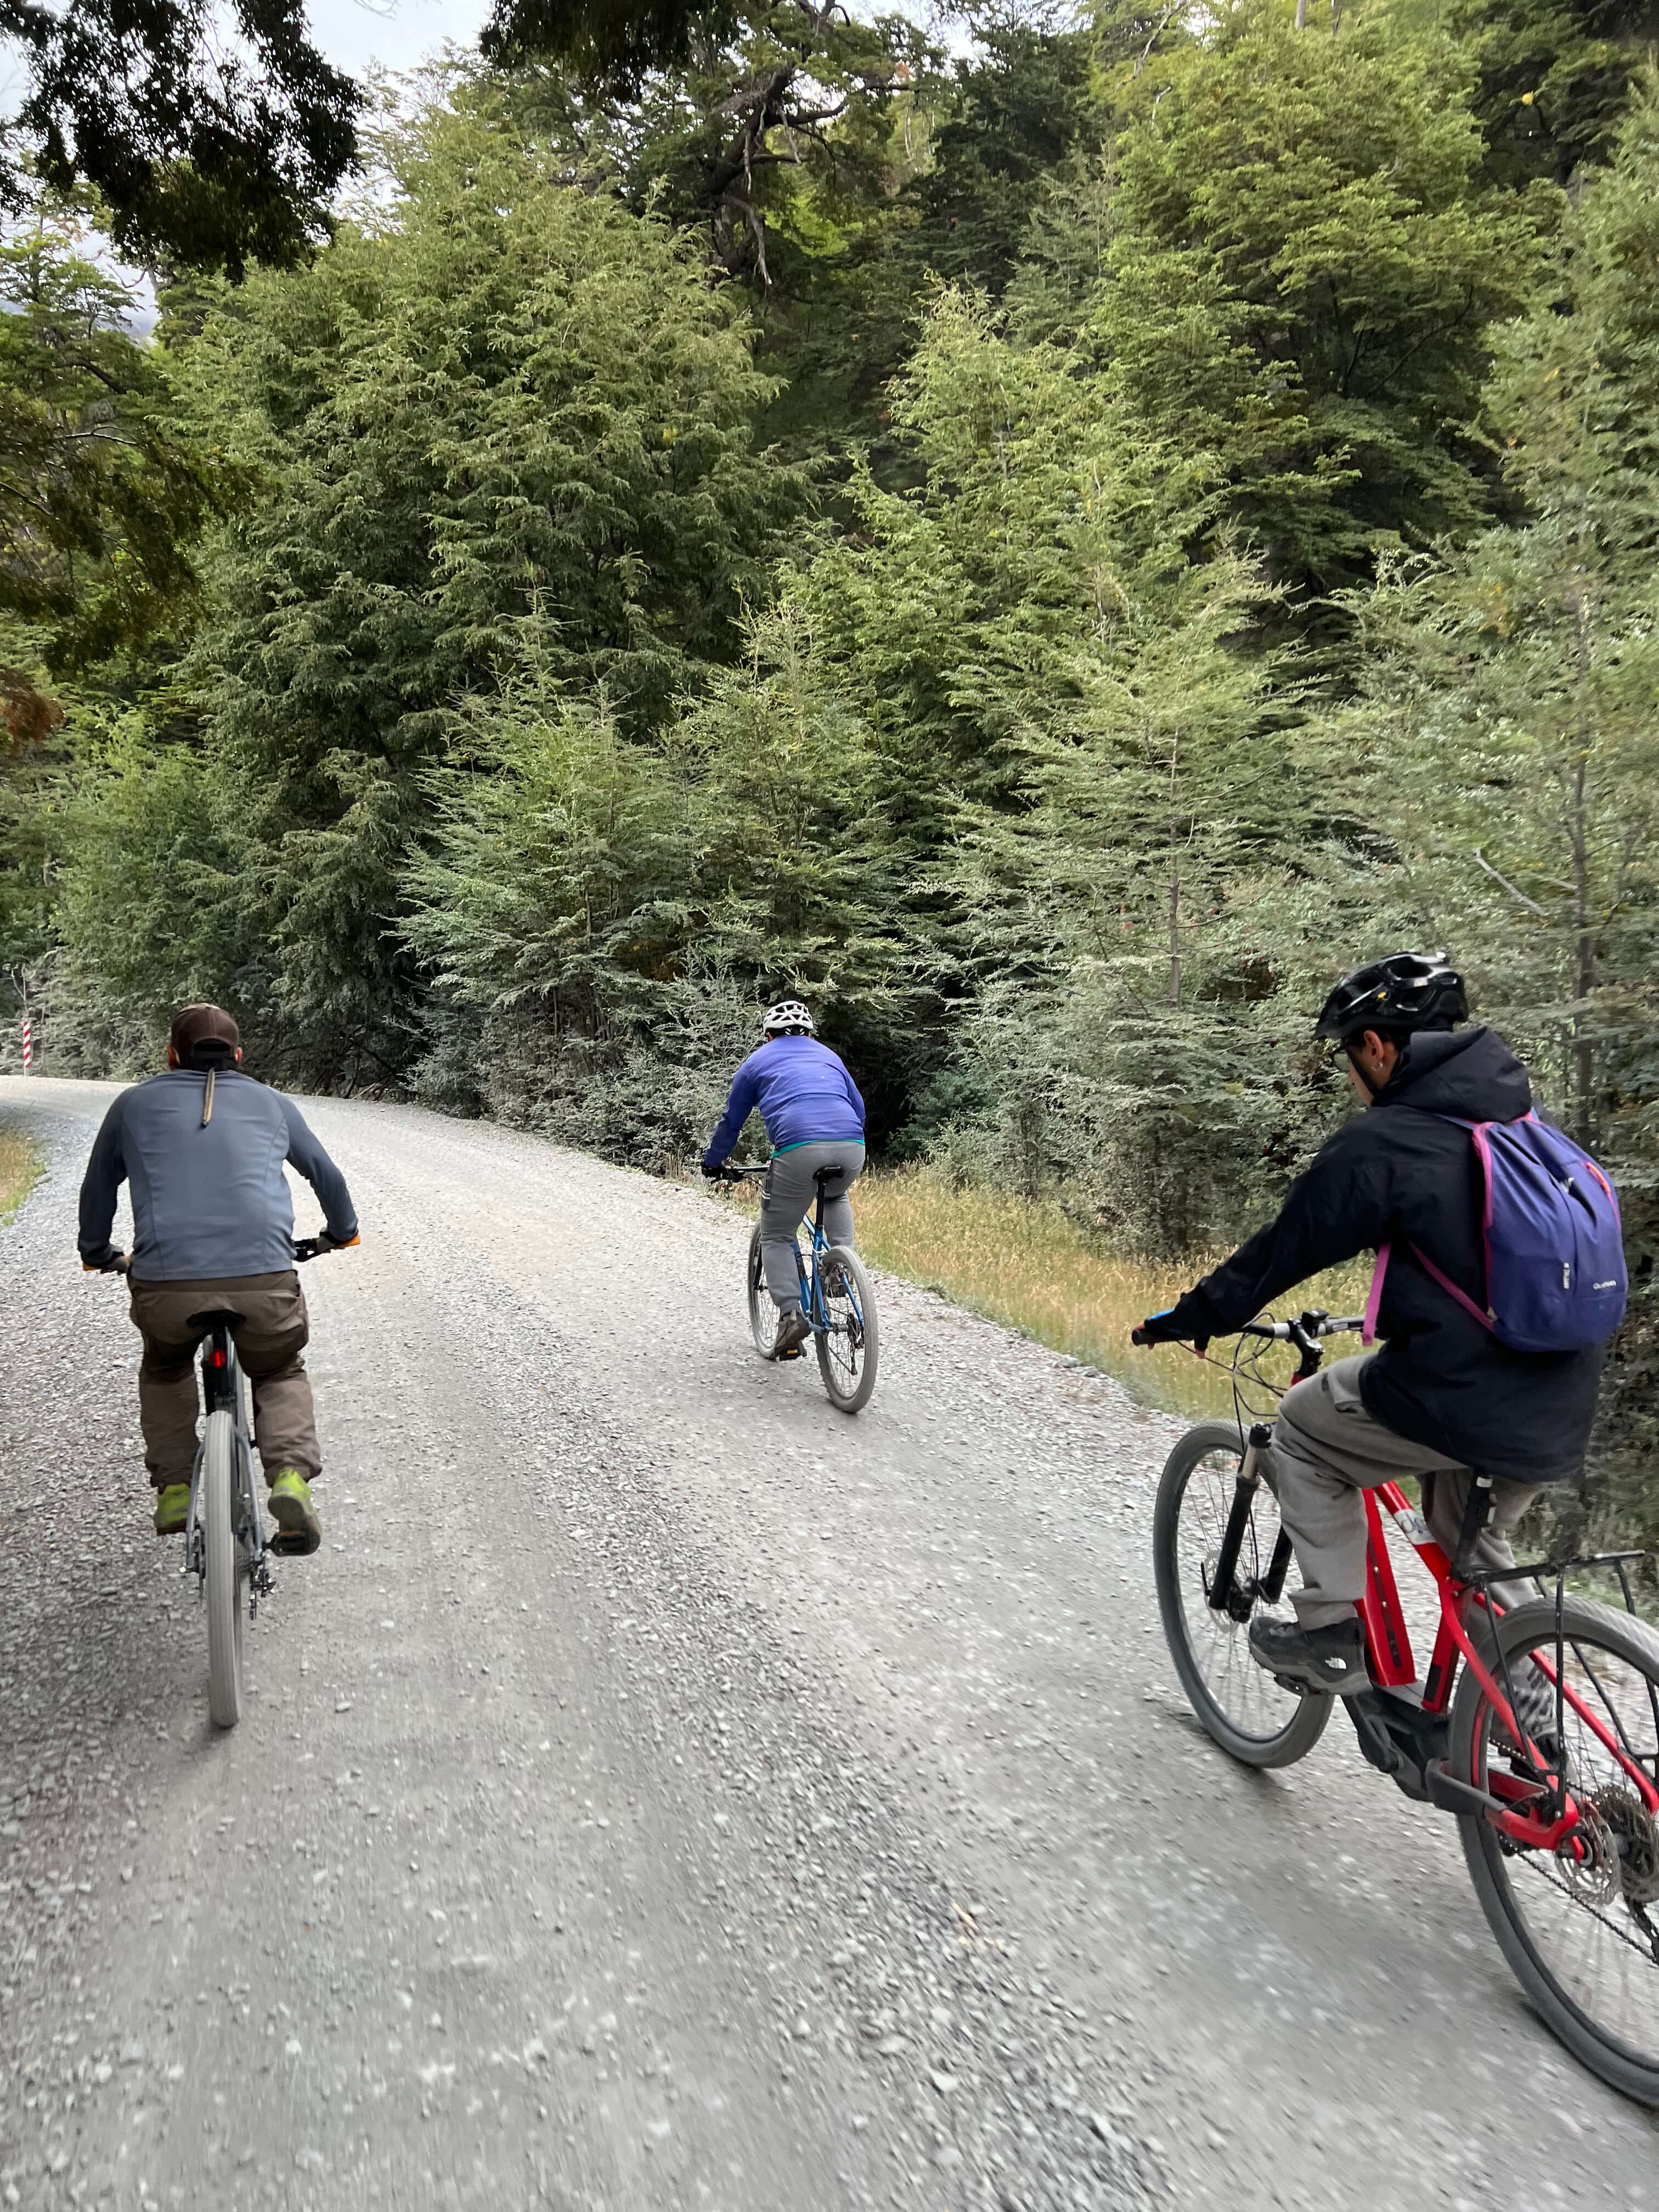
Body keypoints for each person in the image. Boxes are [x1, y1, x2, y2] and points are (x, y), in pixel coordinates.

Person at [1137, 952, 1606, 1695]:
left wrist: (1196, 1314)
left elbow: (1284, 1250)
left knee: (1300, 1425)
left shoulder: (1387, 1142)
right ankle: (1532, 1744)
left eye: (1348, 1055)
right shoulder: (1522, 1127)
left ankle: (1327, 1631)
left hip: (1459, 1396)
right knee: (1475, 1552)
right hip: (1562, 1395)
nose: (1350, 1078)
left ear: (1378, 1048)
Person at [78, 1003, 359, 1555]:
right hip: (265, 1280)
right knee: (278, 1367)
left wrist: (98, 1252)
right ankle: (290, 1480)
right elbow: (327, 1176)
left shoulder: (132, 1105)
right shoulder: (271, 1102)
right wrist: (339, 1233)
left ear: (170, 1055)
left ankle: (177, 1490)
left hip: (165, 1285)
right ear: (238, 1056)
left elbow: (97, 1190)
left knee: (165, 1366)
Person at [702, 1000, 866, 1355]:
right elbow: (859, 1108)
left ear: (769, 1035)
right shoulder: (830, 1057)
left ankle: (791, 1316)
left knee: (776, 1233)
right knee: (835, 1196)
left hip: (798, 1149)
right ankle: (840, 1268)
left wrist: (713, 1161)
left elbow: (732, 1122)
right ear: (808, 1032)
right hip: (852, 1145)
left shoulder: (757, 1062)